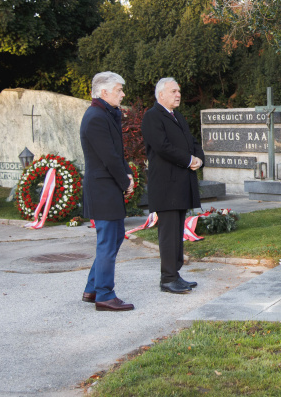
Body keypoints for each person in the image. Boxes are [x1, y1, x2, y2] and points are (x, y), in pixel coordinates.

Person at [141, 78, 204, 294]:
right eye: (174, 91)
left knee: (177, 232)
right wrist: (188, 160)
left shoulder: (176, 116)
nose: (178, 95)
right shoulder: (152, 116)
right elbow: (162, 147)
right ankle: (167, 278)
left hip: (179, 185)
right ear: (161, 95)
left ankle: (174, 274)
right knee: (168, 233)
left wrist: (199, 158)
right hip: (166, 186)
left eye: (179, 91)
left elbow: (192, 141)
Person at [81, 72, 135, 311]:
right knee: (108, 240)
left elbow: (117, 152)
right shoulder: (95, 117)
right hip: (102, 188)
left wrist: (128, 174)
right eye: (119, 90)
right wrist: (125, 182)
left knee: (113, 237)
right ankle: (104, 294)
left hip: (108, 186)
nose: (122, 94)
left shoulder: (105, 114)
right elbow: (108, 156)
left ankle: (93, 288)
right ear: (104, 92)